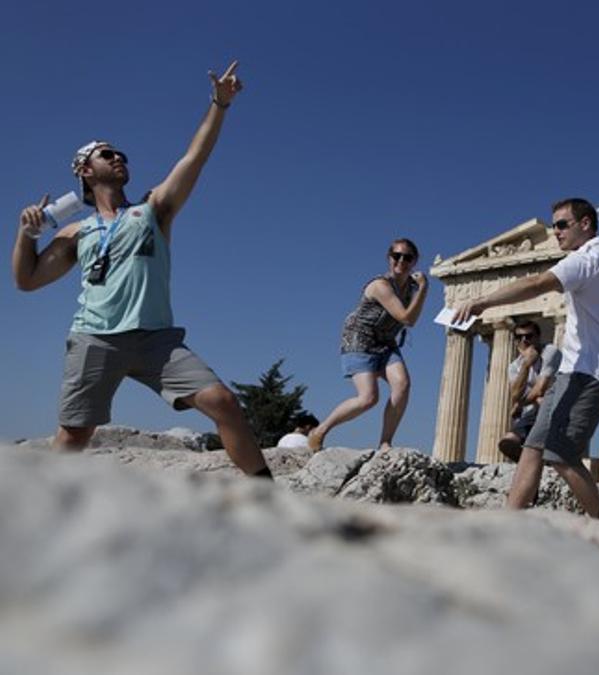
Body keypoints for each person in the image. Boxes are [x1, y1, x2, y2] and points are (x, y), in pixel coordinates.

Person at [12, 61, 272, 479]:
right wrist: (27, 235)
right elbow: (26, 281)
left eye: (121, 154)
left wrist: (219, 105)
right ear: (83, 170)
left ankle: (269, 501)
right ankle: (34, 510)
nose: (119, 158)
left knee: (223, 401)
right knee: (72, 437)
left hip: (156, 339)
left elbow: (195, 157)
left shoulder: (152, 209)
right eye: (107, 154)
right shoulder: (77, 232)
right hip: (94, 337)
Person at [454, 199, 599, 518]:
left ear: (586, 225)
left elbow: (537, 283)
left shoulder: (585, 261)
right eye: (554, 225)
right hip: (575, 368)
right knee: (534, 444)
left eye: (563, 224)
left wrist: (483, 303)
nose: (556, 231)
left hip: (591, 372)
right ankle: (511, 519)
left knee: (560, 452)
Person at [308, 238, 429, 451]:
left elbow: (413, 320)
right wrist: (424, 290)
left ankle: (385, 442)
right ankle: (320, 430)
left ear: (415, 261)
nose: (401, 261)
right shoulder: (380, 286)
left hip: (385, 342)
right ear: (388, 258)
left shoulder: (411, 287)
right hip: (359, 340)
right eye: (396, 256)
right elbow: (407, 318)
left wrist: (419, 291)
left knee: (402, 384)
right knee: (368, 398)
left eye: (407, 257)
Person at [498, 319, 562, 462]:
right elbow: (515, 395)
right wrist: (526, 366)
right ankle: (532, 459)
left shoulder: (550, 352)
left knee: (542, 400)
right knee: (508, 440)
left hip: (557, 404)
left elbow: (540, 389)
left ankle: (536, 457)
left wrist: (520, 404)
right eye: (519, 337)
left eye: (529, 336)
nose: (524, 340)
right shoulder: (515, 366)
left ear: (538, 337)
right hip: (533, 411)